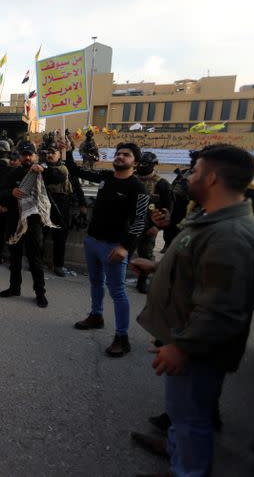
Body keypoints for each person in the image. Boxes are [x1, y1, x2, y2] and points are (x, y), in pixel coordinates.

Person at [129, 144, 254, 477]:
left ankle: (188, 470)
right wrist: (158, 267)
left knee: (191, 421)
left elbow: (220, 309)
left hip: (197, 351)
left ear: (213, 178)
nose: (189, 176)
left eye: (196, 171)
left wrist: (181, 347)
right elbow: (199, 270)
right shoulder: (211, 218)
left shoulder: (229, 235)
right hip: (186, 338)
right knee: (183, 415)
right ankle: (178, 461)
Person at [63, 139, 148, 357]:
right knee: (94, 282)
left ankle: (122, 337)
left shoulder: (138, 188)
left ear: (135, 162)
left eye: (126, 155)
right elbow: (74, 170)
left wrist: (124, 247)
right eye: (118, 153)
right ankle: (96, 316)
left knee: (117, 291)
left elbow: (140, 220)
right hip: (92, 241)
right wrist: (69, 150)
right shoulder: (106, 177)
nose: (120, 156)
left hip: (114, 247)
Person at [0, 141, 54, 308]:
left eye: (30, 154)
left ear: (35, 155)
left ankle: (40, 293)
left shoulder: (41, 171)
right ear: (20, 156)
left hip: (34, 223)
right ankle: (14, 288)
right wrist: (11, 192)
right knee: (14, 258)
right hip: (14, 221)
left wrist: (44, 169)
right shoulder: (12, 173)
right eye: (24, 154)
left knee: (35, 259)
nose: (27, 157)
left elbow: (60, 176)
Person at [134, 151, 173, 294]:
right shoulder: (132, 179)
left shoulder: (162, 184)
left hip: (149, 226)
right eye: (141, 163)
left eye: (146, 164)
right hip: (130, 224)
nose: (142, 166)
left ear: (153, 165)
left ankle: (142, 282)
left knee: (146, 254)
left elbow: (167, 208)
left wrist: (157, 227)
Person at [43, 144, 75, 276]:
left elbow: (56, 177)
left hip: (60, 205)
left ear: (60, 155)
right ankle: (36, 261)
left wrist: (83, 204)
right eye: (48, 153)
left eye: (53, 152)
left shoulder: (63, 169)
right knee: (40, 235)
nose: (49, 155)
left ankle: (58, 265)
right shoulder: (42, 166)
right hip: (44, 204)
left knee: (60, 238)